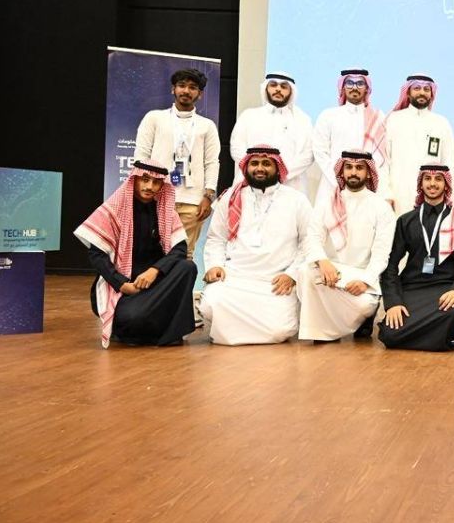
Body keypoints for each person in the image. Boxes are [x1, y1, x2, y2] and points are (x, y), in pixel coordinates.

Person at [74, 159, 197, 348]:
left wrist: (155, 270)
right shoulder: (114, 210)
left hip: (154, 286)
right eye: (145, 180)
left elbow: (179, 249)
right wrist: (123, 285)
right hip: (122, 290)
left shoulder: (164, 211)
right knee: (132, 317)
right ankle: (140, 326)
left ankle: (165, 332)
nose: (150, 186)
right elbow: (97, 255)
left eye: (156, 182)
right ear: (134, 179)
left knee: (187, 267)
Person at [199, 146, 313, 345]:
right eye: (254, 163)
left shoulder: (296, 200)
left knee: (281, 330)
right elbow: (216, 238)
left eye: (266, 163)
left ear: (277, 168)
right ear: (246, 167)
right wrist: (214, 265)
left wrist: (292, 274)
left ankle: (229, 329)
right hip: (235, 276)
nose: (260, 168)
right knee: (209, 305)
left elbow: (309, 241)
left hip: (275, 281)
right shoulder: (230, 197)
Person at [297, 150, 395, 342]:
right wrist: (323, 261)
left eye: (359, 168)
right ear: (342, 171)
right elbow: (312, 237)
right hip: (332, 273)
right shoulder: (326, 203)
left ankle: (365, 318)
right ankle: (323, 330)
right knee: (305, 271)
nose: (353, 172)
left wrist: (365, 281)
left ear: (369, 173)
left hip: (361, 276)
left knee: (363, 305)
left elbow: (382, 254)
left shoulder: (381, 207)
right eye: (348, 167)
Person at [379, 165, 454, 351]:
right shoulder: (406, 221)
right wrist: (393, 303)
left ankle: (433, 334)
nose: (433, 184)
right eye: (428, 179)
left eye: (438, 179)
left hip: (446, 288)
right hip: (412, 288)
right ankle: (441, 337)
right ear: (421, 184)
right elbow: (390, 265)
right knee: (390, 334)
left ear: (446, 184)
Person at [133, 67, 220, 257]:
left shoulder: (207, 126)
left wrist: (208, 196)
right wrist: (141, 191)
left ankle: (181, 280)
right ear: (173, 89)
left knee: (184, 254)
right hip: (157, 196)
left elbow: (212, 162)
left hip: (192, 202)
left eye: (192, 87)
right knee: (151, 252)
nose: (186, 91)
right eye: (182, 85)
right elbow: (141, 155)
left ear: (200, 94)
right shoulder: (154, 118)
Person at [312, 68, 392, 201]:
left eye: (360, 83)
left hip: (365, 188)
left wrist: (363, 182)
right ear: (343, 87)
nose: (355, 87)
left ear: (367, 88)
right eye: (349, 83)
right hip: (331, 186)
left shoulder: (377, 117)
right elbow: (320, 152)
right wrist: (339, 180)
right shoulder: (328, 115)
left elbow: (380, 159)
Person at [229, 71, 314, 193]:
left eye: (284, 86)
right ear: (266, 88)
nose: (278, 89)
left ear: (291, 92)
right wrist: (256, 171)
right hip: (251, 182)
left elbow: (308, 154)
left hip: (290, 185)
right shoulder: (249, 116)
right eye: (273, 85)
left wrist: (281, 174)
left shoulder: (303, 120)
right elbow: (237, 147)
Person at [383, 74, 454, 206]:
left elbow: (448, 163)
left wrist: (447, 195)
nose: (422, 92)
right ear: (408, 92)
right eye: (417, 88)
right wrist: (386, 194)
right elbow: (384, 160)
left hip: (432, 195)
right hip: (398, 193)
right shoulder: (393, 120)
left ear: (432, 94)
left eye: (426, 89)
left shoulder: (441, 123)